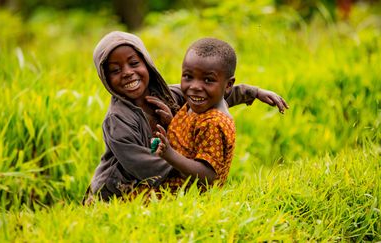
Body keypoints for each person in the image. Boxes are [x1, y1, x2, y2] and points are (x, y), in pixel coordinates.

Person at [83, 31, 288, 204]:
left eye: (134, 63)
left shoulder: (167, 95)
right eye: (115, 70)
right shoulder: (117, 121)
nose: (127, 73)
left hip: (164, 179)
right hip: (116, 190)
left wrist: (253, 92)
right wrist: (189, 167)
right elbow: (143, 165)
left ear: (147, 64)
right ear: (106, 78)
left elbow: (209, 96)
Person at [153, 38, 240, 193]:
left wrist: (169, 154)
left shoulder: (214, 122)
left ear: (228, 85)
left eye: (208, 80)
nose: (195, 87)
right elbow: (191, 139)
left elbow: (208, 175)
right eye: (188, 76)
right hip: (174, 187)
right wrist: (173, 122)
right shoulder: (197, 105)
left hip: (190, 197)